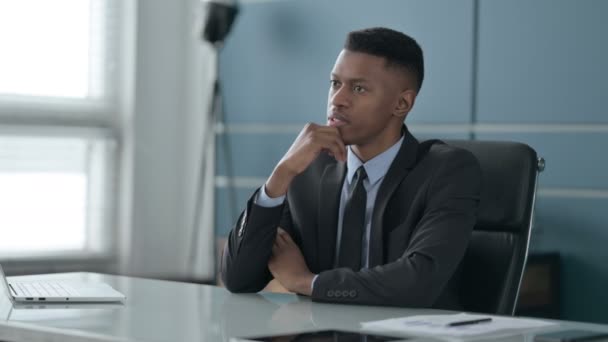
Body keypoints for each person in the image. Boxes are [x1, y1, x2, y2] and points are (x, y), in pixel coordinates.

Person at [221, 27, 481, 309]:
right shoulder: (308, 168)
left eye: (358, 88)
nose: (337, 100)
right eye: (335, 83)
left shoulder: (447, 171)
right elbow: (238, 279)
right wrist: (280, 176)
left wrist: (308, 282)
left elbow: (417, 283)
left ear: (402, 103)